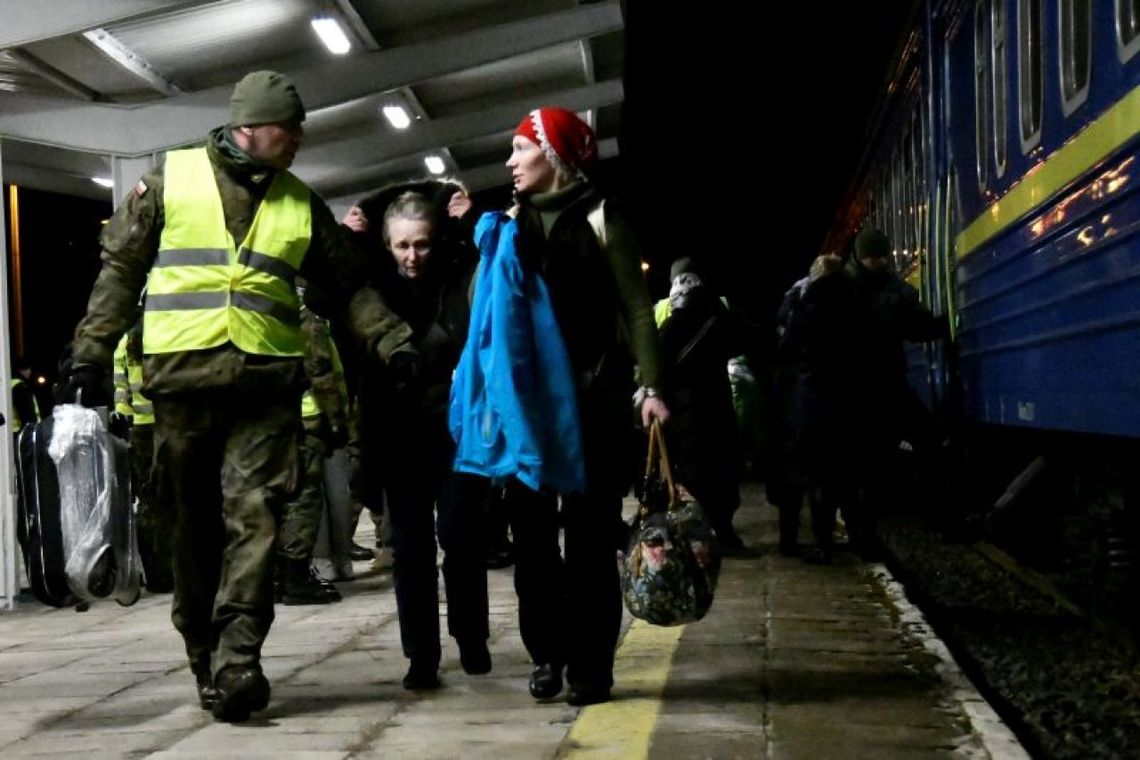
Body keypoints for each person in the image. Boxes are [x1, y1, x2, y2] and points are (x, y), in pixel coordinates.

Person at [61, 71, 416, 723]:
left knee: (256, 519)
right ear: (252, 127)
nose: (301, 140)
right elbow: (119, 273)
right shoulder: (171, 181)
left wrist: (392, 340)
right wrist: (89, 352)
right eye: (292, 128)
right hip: (180, 390)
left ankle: (239, 661)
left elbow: (349, 287)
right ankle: (204, 650)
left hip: (265, 390)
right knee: (193, 532)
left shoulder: (299, 204)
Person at [453, 107, 669, 707]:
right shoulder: (509, 224)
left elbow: (635, 308)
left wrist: (650, 388)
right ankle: (548, 652)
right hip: (528, 415)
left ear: (553, 156)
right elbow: (484, 313)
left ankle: (590, 670)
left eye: (520, 149)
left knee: (590, 542)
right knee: (532, 545)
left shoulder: (604, 218)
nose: (509, 162)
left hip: (593, 406)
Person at [343, 182, 488, 689]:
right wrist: (350, 232)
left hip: (454, 428)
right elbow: (323, 292)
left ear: (438, 239)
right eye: (402, 245)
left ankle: (471, 637)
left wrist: (466, 214)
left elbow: (503, 257)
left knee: (460, 535)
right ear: (386, 244)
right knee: (411, 548)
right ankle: (421, 655)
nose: (412, 255)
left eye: (422, 243)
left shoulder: (458, 268)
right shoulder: (370, 278)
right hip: (397, 431)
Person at [844, 228, 948, 555]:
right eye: (874, 256)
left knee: (917, 443)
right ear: (863, 257)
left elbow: (918, 326)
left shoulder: (862, 288)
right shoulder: (862, 290)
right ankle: (865, 534)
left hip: (879, 385)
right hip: (861, 389)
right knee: (867, 464)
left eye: (881, 255)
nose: (879, 261)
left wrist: (938, 326)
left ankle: (933, 516)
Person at [657, 256, 749, 551]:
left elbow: (657, 365)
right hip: (717, 404)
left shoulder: (668, 320)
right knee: (722, 470)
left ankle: (695, 537)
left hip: (683, 412)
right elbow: (744, 341)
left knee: (691, 475)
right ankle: (723, 532)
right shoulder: (717, 314)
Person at [275, 294, 349, 605]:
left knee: (278, 500)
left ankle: (280, 577)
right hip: (306, 420)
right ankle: (295, 577)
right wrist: (336, 420)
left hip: (276, 421)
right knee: (303, 500)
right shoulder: (302, 314)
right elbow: (320, 368)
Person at [113, 318, 174, 591]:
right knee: (181, 498)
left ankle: (157, 574)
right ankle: (182, 571)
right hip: (171, 425)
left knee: (149, 501)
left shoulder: (125, 342)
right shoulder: (167, 331)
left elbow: (121, 392)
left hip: (141, 430)